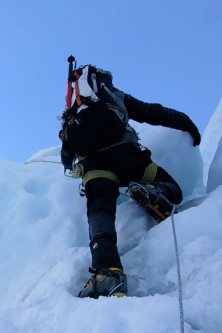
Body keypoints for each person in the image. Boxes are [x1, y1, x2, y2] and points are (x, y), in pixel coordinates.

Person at [59, 64, 201, 299]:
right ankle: (156, 192)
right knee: (173, 188)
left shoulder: (75, 113)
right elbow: (154, 112)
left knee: (100, 212)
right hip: (128, 157)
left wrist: (68, 165)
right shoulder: (115, 97)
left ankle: (108, 272)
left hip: (95, 168)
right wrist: (185, 122)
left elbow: (66, 152)